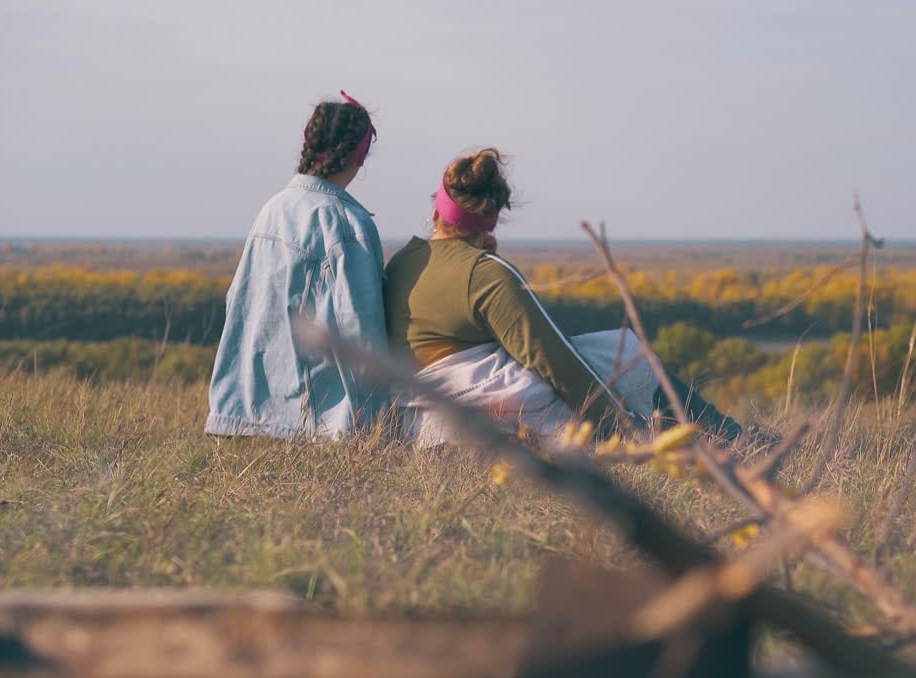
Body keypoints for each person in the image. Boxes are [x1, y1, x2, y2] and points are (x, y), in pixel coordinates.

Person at [384, 148, 756, 448]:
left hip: (413, 407)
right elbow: (552, 357)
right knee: (626, 353)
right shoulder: (487, 274)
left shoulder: (403, 261)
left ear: (436, 209)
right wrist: (619, 427)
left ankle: (726, 436)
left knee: (607, 352)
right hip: (476, 402)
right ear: (491, 223)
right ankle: (734, 439)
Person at [206, 91, 388, 439]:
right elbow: (363, 336)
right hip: (317, 425)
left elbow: (238, 303)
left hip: (243, 416)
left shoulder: (272, 209)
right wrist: (380, 424)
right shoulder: (347, 224)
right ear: (358, 157)